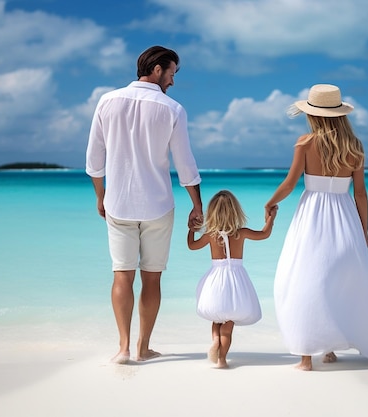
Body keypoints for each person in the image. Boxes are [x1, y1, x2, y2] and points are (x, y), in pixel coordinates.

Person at [86, 46, 203, 364]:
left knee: (121, 275)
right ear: (157, 69)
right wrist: (197, 206)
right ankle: (143, 347)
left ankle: (123, 349)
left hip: (119, 204)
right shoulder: (173, 109)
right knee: (152, 277)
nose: (173, 81)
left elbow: (95, 160)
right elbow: (186, 165)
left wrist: (101, 196)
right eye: (172, 73)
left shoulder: (107, 101)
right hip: (158, 206)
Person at [265, 84, 368, 371]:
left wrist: (270, 202)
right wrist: (364, 230)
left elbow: (290, 184)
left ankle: (306, 357)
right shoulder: (355, 148)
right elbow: (360, 194)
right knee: (335, 281)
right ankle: (329, 348)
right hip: (345, 218)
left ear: (313, 115)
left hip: (312, 217)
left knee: (304, 279)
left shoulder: (305, 143)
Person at [188, 190, 277, 369]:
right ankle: (222, 359)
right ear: (235, 211)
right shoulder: (240, 233)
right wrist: (271, 218)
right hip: (235, 282)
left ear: (212, 213)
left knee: (216, 317)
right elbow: (264, 234)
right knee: (228, 325)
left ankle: (215, 341)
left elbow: (192, 246)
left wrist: (191, 230)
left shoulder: (210, 235)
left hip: (215, 281)